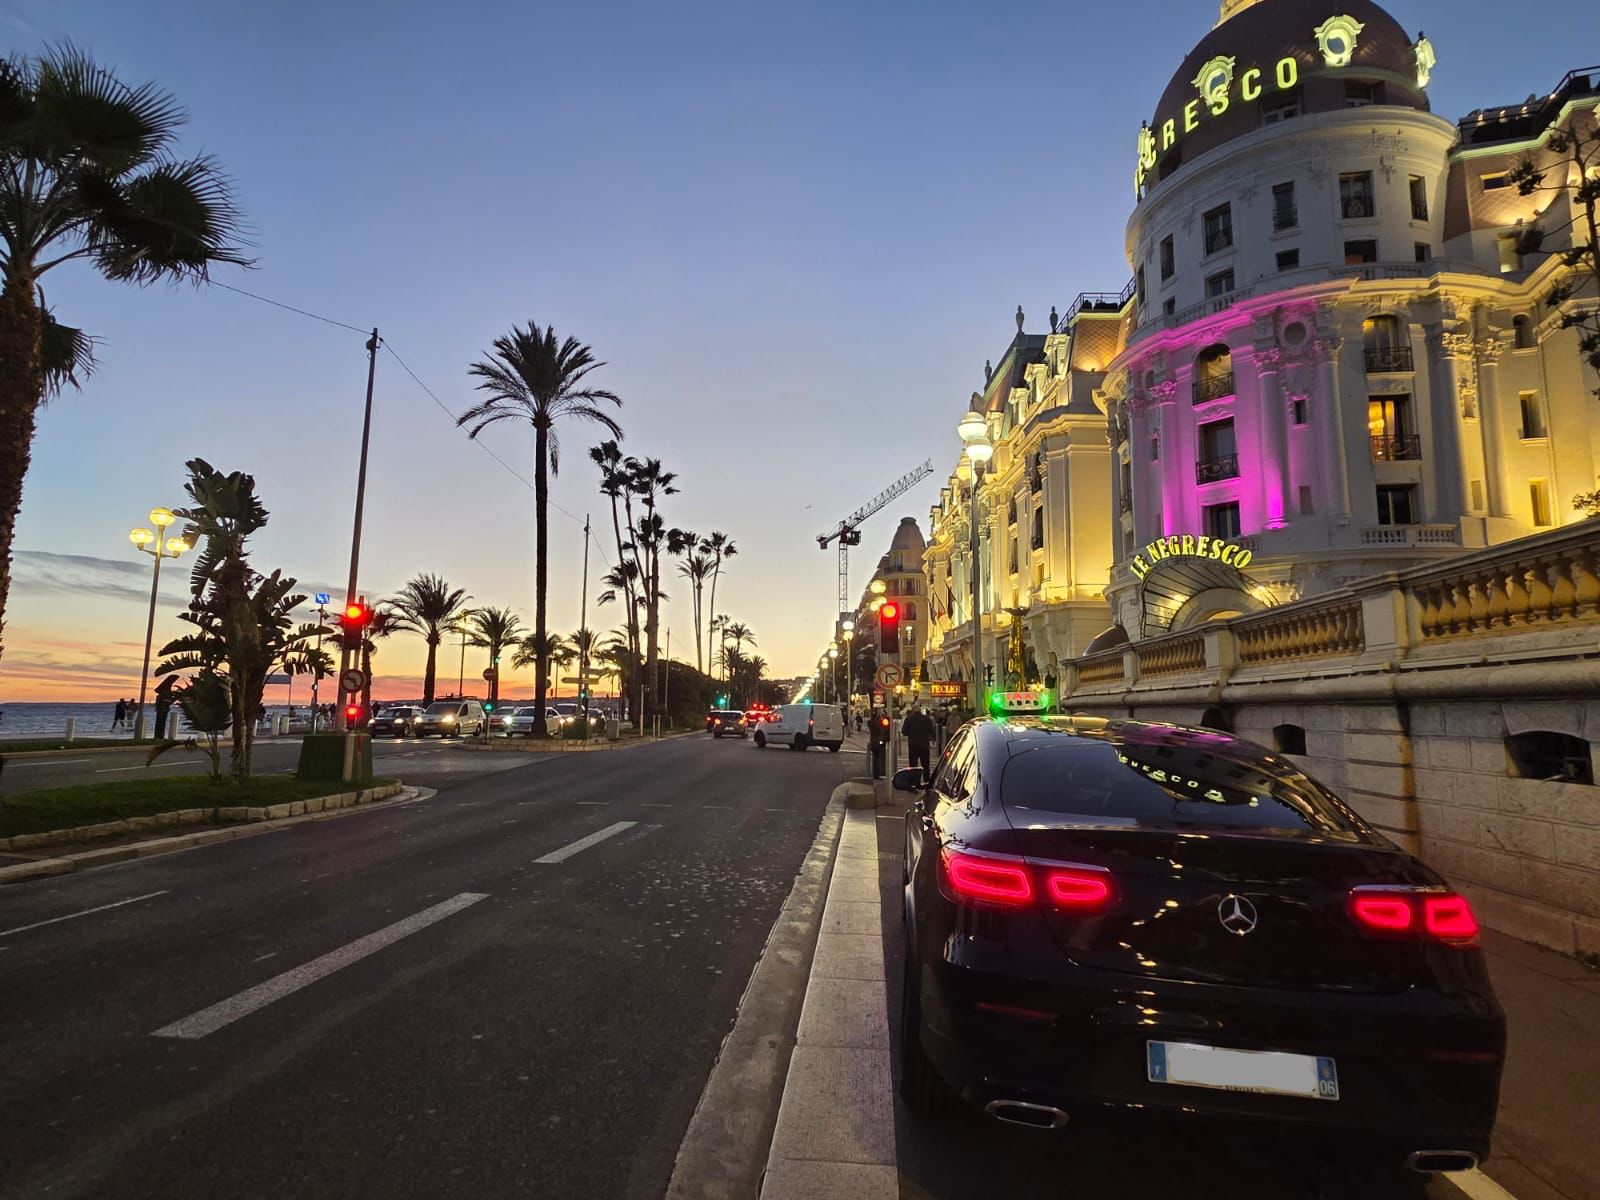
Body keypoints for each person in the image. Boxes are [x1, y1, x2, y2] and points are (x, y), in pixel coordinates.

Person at [902, 703, 936, 784]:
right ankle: (926, 781)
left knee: (913, 765)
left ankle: (914, 783)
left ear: (913, 710)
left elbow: (904, 732)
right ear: (920, 709)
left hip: (913, 745)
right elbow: (931, 730)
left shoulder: (909, 719)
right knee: (926, 765)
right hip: (924, 745)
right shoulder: (926, 719)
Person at [868, 707, 891, 779]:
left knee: (875, 758)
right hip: (880, 741)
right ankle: (881, 772)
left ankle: (876, 774)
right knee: (881, 757)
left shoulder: (870, 721)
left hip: (873, 741)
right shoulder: (881, 721)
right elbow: (884, 729)